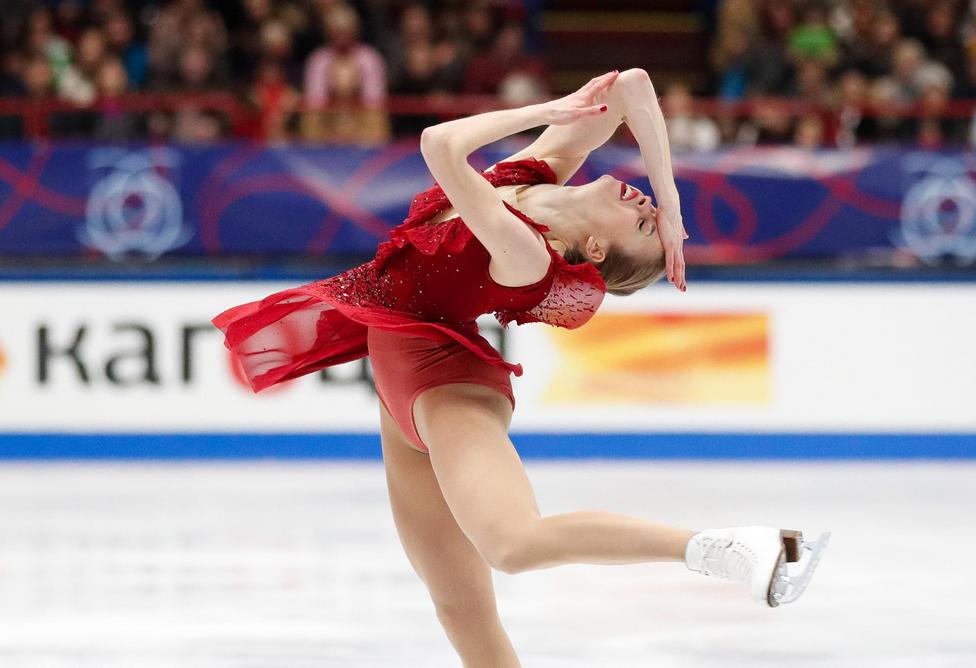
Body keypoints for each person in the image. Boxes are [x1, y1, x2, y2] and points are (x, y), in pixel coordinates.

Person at [213, 69, 828, 665]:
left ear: (593, 250)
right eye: (651, 218)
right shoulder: (536, 178)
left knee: (513, 544)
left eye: (641, 223)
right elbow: (632, 85)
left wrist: (546, 112)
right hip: (399, 381)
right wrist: (670, 207)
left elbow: (441, 145)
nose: (643, 206)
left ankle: (732, 550)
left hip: (442, 380)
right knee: (459, 606)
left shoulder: (526, 253)